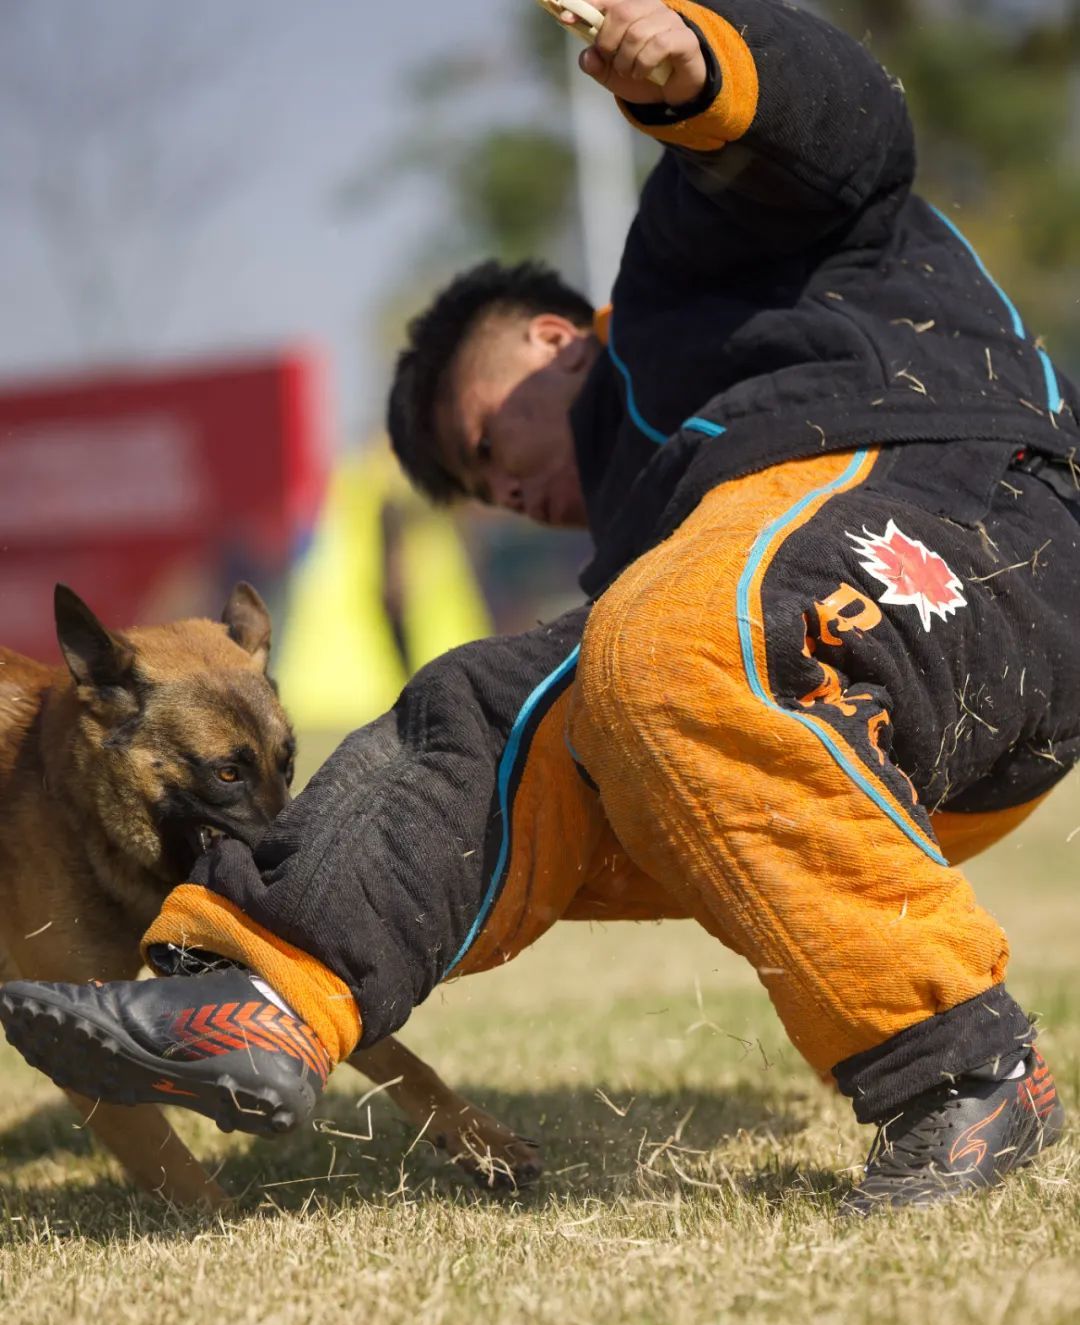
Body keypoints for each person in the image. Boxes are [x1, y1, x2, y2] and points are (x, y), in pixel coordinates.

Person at [3, 0, 1077, 1214]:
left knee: (659, 643)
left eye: (485, 441)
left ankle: (968, 1068)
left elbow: (857, 136)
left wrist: (702, 69)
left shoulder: (684, 273)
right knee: (487, 708)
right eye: (480, 493)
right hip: (844, 705)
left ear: (556, 337)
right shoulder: (655, 546)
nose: (507, 492)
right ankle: (263, 995)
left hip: (975, 521)